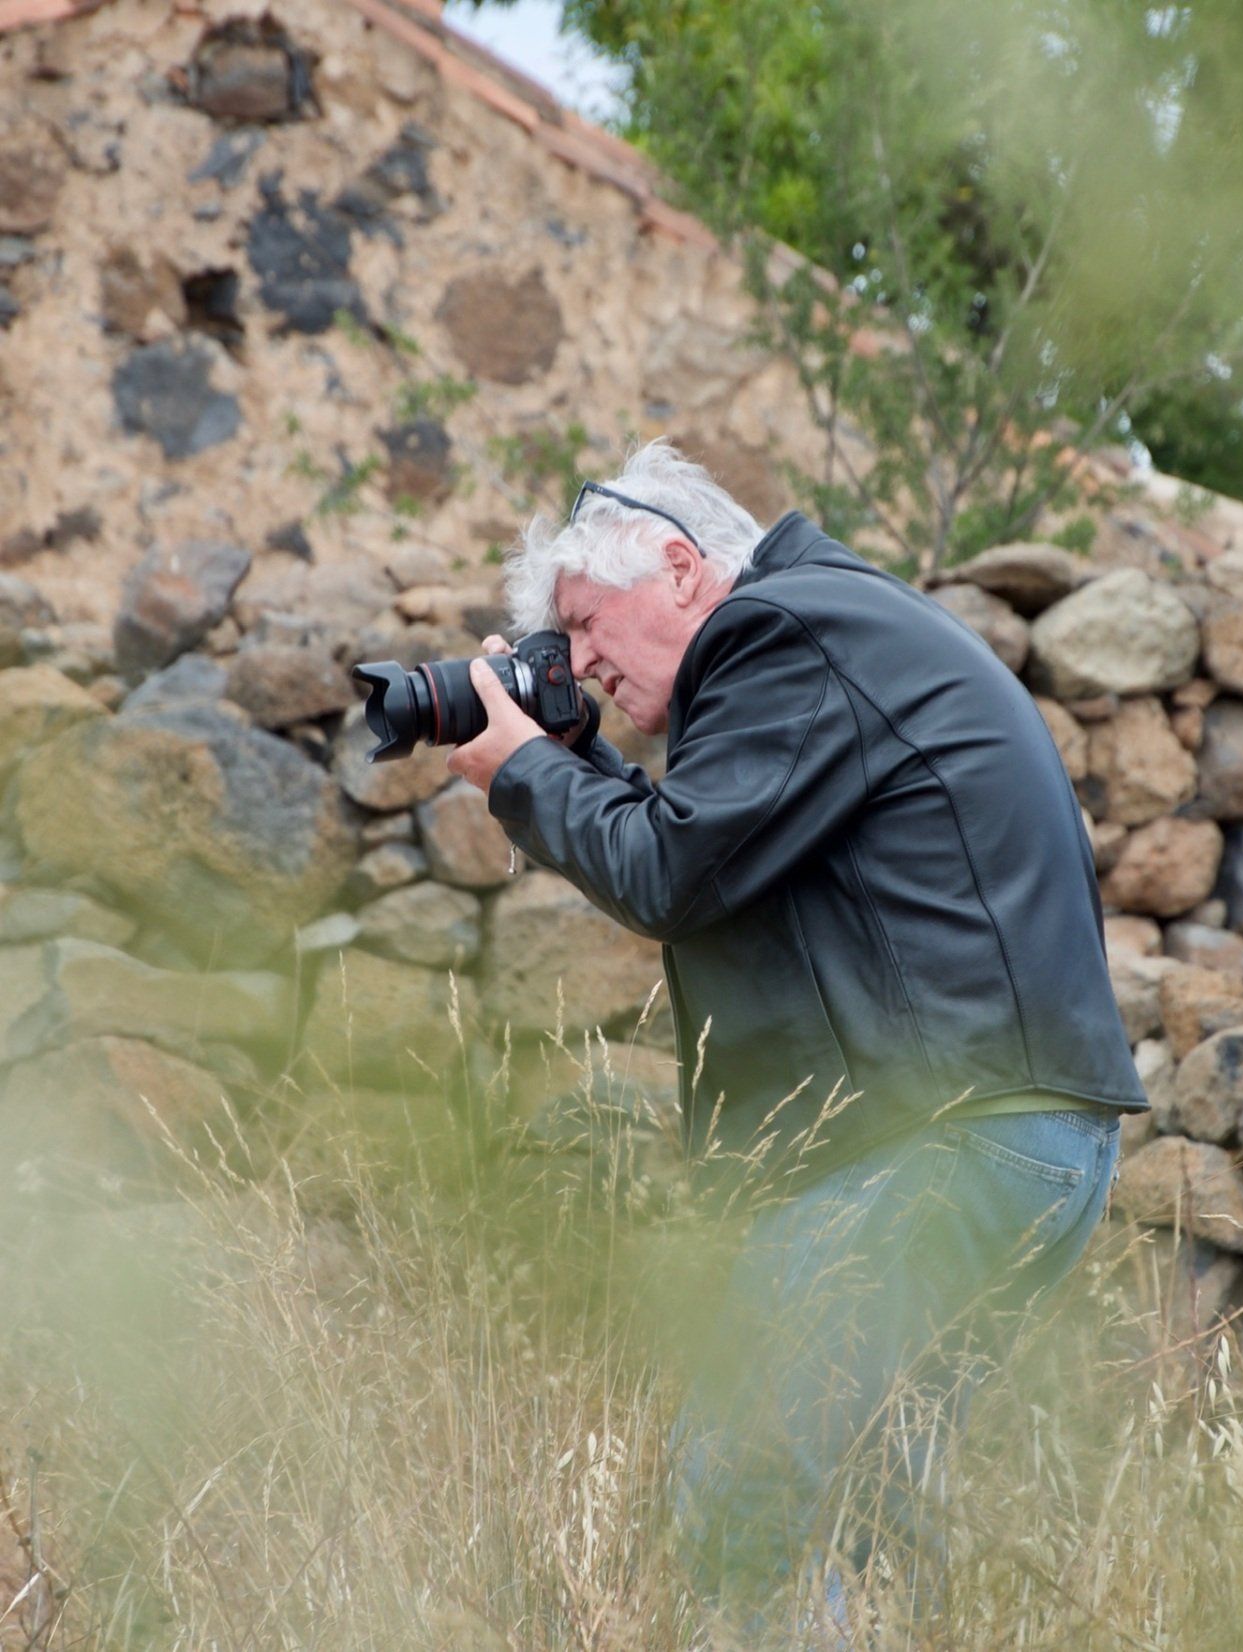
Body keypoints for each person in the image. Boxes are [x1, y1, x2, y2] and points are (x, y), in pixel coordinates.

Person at [447, 439, 1147, 1636]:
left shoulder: (776, 631)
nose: (582, 659)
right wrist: (582, 765)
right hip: (1024, 1137)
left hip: (933, 1142)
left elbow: (669, 870)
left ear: (680, 566)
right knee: (870, 1532)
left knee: (744, 1494)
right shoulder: (841, 626)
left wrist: (522, 772)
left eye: (584, 621)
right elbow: (720, 857)